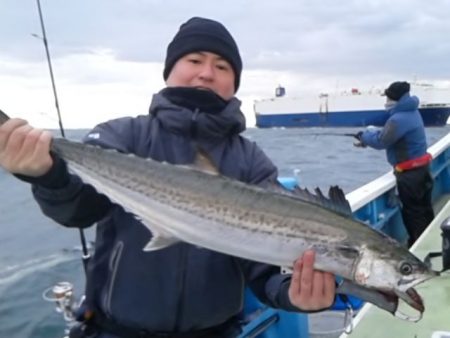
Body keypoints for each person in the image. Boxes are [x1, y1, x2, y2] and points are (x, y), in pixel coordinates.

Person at [0, 17, 336, 338]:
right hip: (112, 331)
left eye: (222, 67)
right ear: (169, 70)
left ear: (234, 83)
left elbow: (265, 268)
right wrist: (48, 175)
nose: (206, 73)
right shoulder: (122, 135)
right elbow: (79, 210)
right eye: (194, 60)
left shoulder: (251, 162)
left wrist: (293, 294)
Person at [354, 81, 434, 247]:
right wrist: (369, 137)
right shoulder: (412, 112)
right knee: (425, 210)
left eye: (388, 97)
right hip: (422, 170)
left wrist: (364, 136)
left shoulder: (398, 119)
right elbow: (392, 137)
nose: (386, 101)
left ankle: (419, 248)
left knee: (413, 213)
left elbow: (382, 141)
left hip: (410, 176)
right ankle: (430, 243)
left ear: (393, 98)